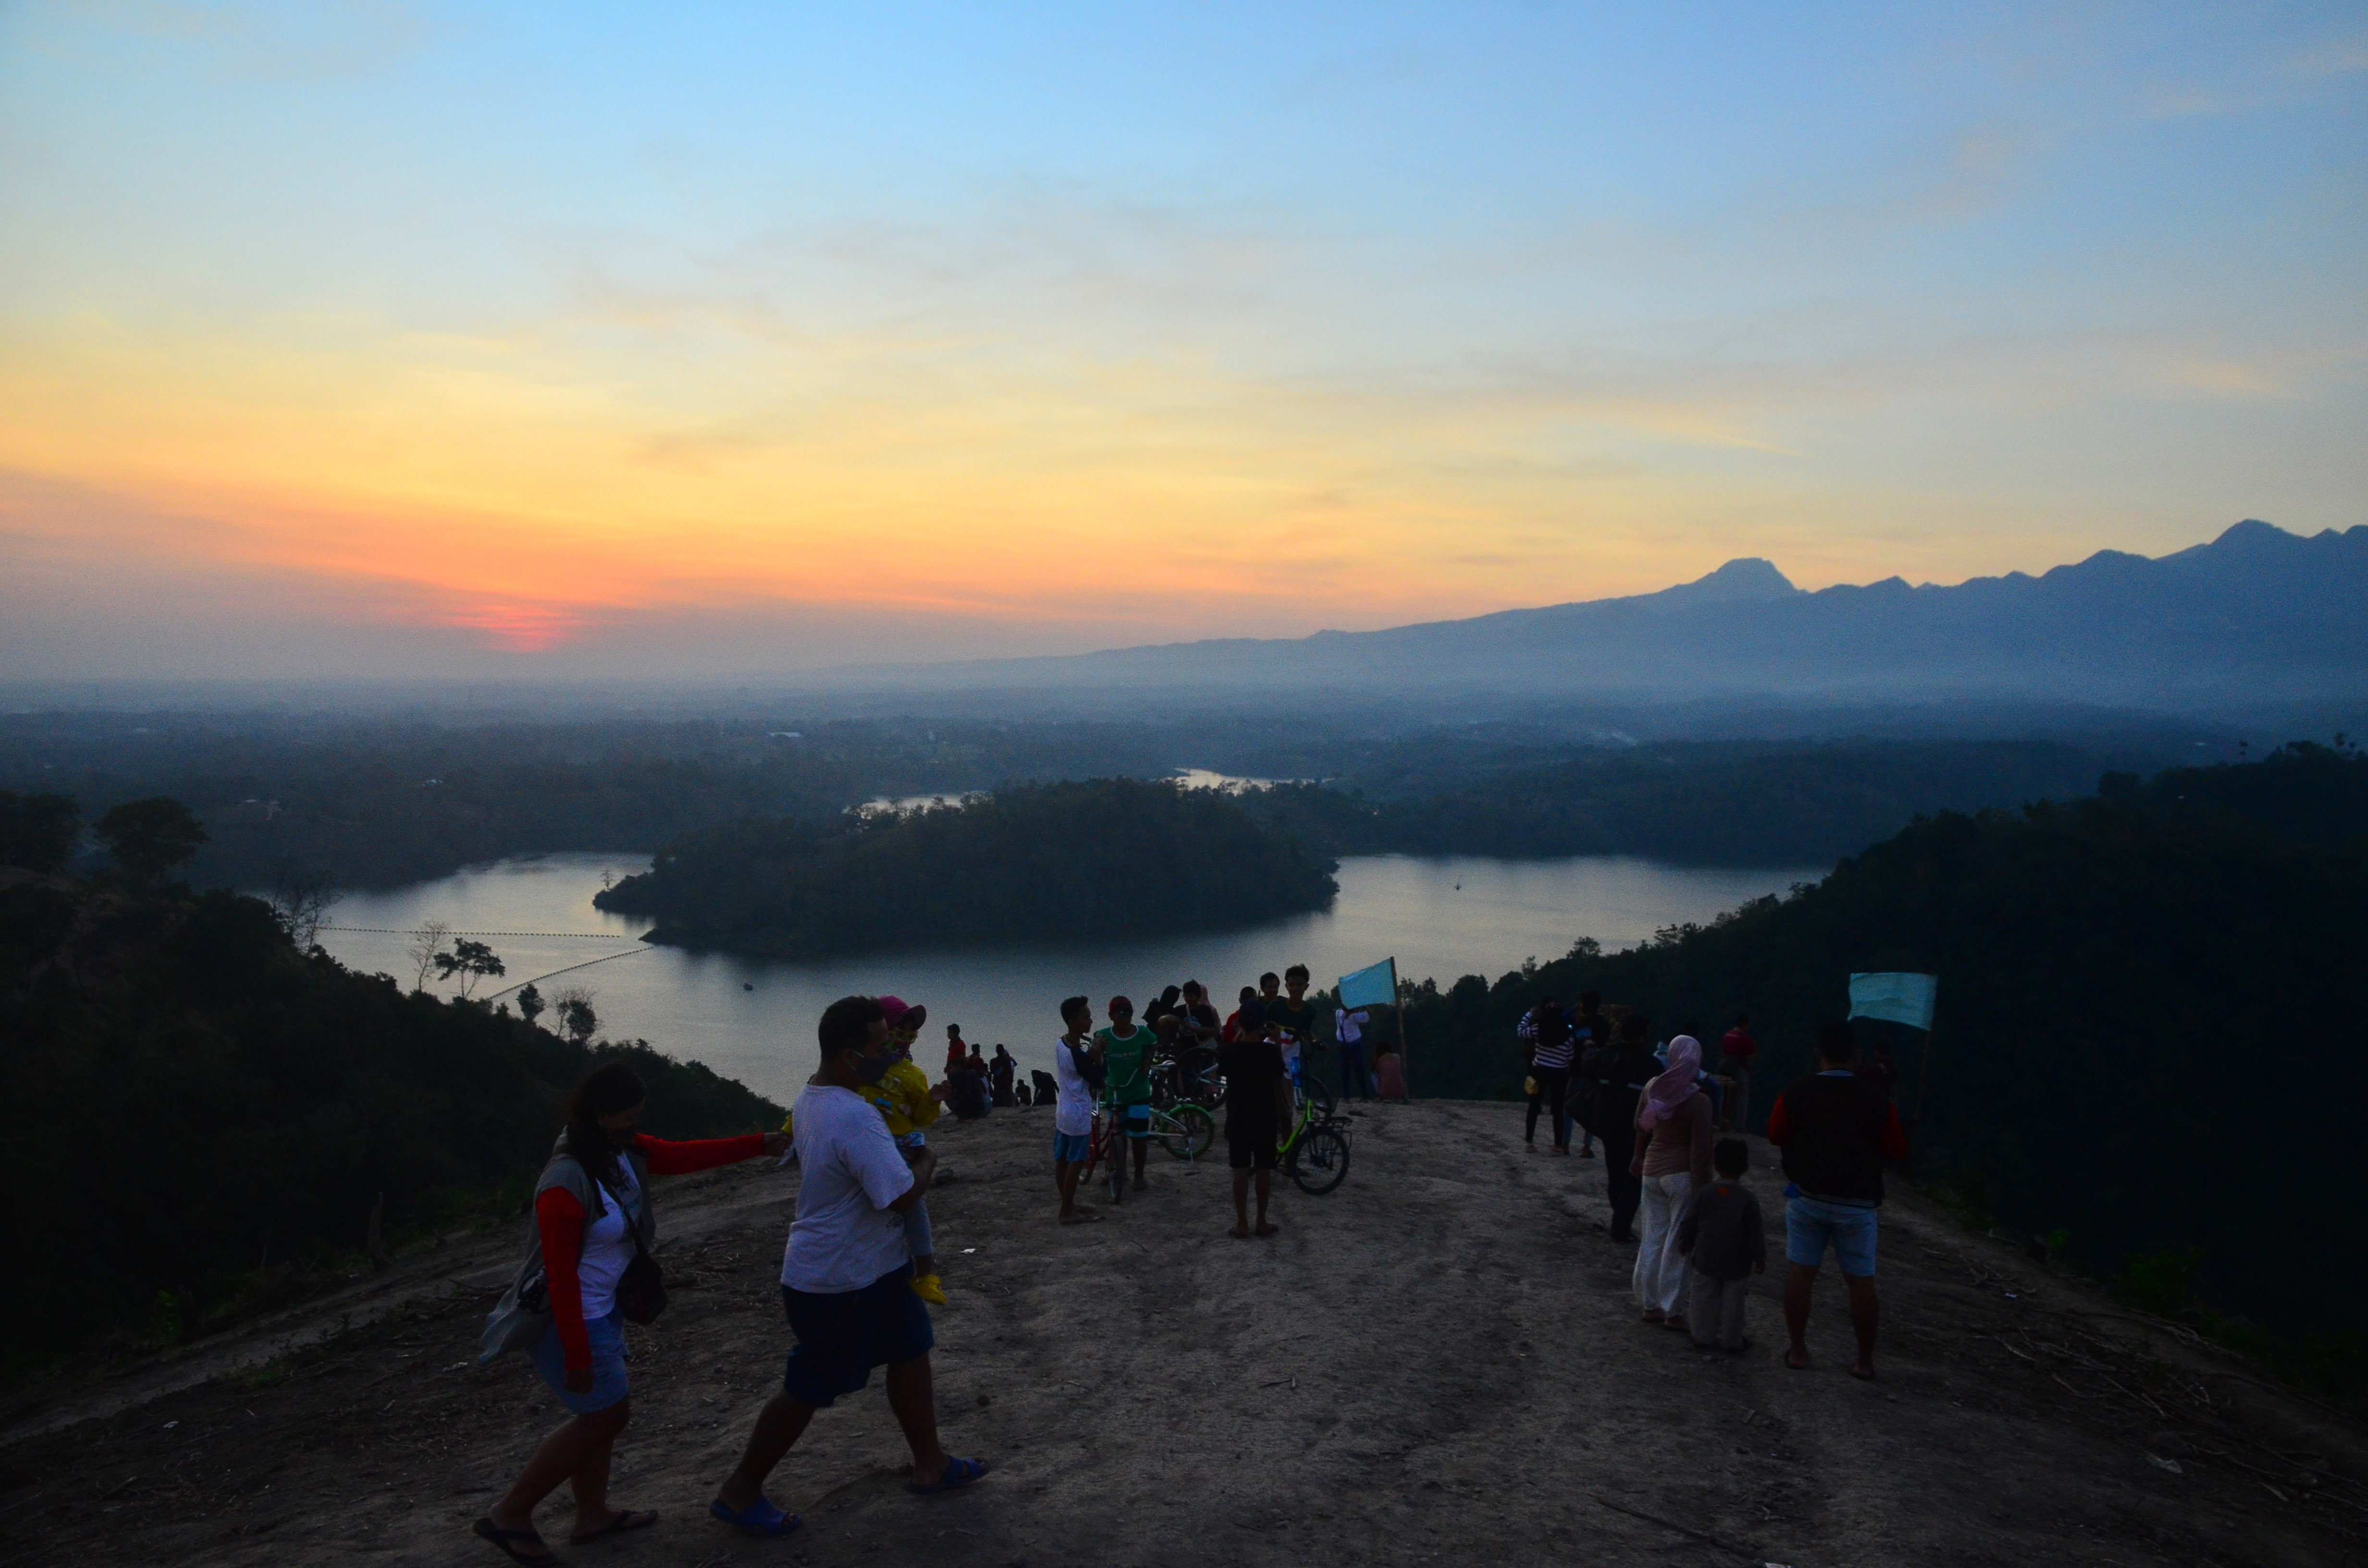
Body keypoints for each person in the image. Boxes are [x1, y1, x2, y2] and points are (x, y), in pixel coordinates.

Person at [476, 1064, 786, 1562]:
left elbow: (678, 1157)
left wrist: (759, 1143)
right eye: (628, 1117)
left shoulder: (616, 1152)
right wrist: (576, 1352)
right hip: (570, 1320)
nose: (634, 1125)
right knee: (605, 1416)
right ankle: (510, 1512)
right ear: (602, 1116)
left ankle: (591, 1515)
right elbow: (558, 1277)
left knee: (597, 1416)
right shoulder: (565, 1182)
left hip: (602, 1309)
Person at [709, 997, 986, 1536]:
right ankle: (739, 1491)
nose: (892, 1055)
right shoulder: (854, 1115)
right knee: (811, 1385)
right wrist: (927, 1161)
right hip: (839, 1282)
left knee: (911, 1351)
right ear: (849, 1058)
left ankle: (930, 1464)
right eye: (881, 1047)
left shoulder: (812, 1098)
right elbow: (900, 1199)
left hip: (876, 1269)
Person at [1767, 1020, 1908, 1378]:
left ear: (1820, 1054)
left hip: (1808, 1195)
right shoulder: (1877, 1100)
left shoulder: (1797, 1091)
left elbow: (1775, 1134)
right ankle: (1864, 1361)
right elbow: (1896, 1149)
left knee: (1801, 1273)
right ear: (1856, 1057)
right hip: (1857, 1203)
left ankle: (1798, 1351)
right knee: (1861, 1282)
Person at [1630, 1034, 1715, 1329]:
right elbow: (1700, 1151)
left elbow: (1640, 1126)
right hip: (1681, 1175)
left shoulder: (1654, 1087)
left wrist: (1638, 1158)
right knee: (1678, 1242)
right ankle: (1673, 1309)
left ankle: (1649, 1304)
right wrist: (1705, 1187)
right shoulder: (1699, 1101)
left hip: (1651, 1170)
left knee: (1652, 1237)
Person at [869, 998, 950, 1305]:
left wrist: (932, 1100)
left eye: (910, 1034)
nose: (904, 1039)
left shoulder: (912, 1075)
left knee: (914, 1203)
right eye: (897, 1032)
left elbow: (922, 1118)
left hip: (898, 1146)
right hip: (864, 1142)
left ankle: (926, 1273)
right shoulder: (862, 1067)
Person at [1676, 1137, 1765, 1352]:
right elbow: (1755, 1234)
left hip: (1706, 1259)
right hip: (1737, 1263)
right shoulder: (1748, 1200)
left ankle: (1702, 1336)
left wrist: (1685, 1243)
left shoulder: (1705, 1193)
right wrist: (1760, 1259)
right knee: (1734, 1305)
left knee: (1702, 1298)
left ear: (1715, 1165)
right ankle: (1732, 1341)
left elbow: (1690, 1221)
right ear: (1745, 1168)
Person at [1218, 999, 1288, 1237]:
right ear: (1262, 1024)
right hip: (1265, 1117)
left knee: (1239, 1170)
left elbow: (1225, 1070)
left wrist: (1238, 1036)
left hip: (1238, 1118)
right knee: (1264, 1169)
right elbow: (1278, 1077)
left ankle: (1241, 1223)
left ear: (1239, 1024)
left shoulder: (1229, 1052)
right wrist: (1277, 1041)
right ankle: (1261, 1221)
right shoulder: (1269, 1052)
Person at [1591, 1015, 1663, 1243]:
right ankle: (1620, 1228)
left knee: (1615, 1175)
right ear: (1642, 1037)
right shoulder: (1651, 1065)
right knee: (1634, 1178)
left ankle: (1619, 1222)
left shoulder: (1608, 1055)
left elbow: (1589, 1069)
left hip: (1607, 1123)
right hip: (1633, 1129)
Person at [1095, 995, 1157, 1194]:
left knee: (1139, 1137)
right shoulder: (1103, 1036)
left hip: (1138, 1090)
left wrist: (1148, 1059)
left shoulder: (1143, 1033)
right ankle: (1116, 1171)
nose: (1124, 1017)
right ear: (1111, 1016)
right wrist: (1098, 1052)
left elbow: (1153, 1044)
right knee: (1118, 1134)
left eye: (1128, 1013)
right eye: (1119, 1013)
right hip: (1115, 1092)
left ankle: (1139, 1174)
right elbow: (1094, 1057)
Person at [1050, 996, 1102, 1224]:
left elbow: (1079, 1065)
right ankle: (1066, 1211)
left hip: (1063, 1110)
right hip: (1079, 1113)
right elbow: (1098, 1080)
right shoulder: (1078, 1055)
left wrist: (1090, 1053)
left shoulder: (1062, 1044)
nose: (1090, 1021)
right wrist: (1098, 1056)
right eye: (1086, 1018)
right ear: (1073, 1021)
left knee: (1062, 1160)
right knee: (1076, 1162)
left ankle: (1067, 1203)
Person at [1523, 995, 1576, 1155]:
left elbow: (1521, 1031)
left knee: (1534, 1106)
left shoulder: (1539, 1028)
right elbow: (1570, 1057)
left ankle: (1530, 1143)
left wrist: (1529, 1015)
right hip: (1559, 1073)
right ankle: (1558, 1146)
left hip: (1539, 1070)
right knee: (1558, 1109)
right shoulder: (1568, 1034)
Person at [1271, 963, 1328, 1089]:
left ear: (1306, 987)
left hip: (1292, 1056)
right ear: (1286, 986)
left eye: (1300, 985)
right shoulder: (1277, 1007)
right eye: (1291, 985)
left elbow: (1305, 1032)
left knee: (1289, 1089)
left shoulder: (1309, 1012)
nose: (1295, 989)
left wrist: (1315, 1042)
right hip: (1273, 1054)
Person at [1566, 991, 1606, 1157]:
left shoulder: (1579, 1023)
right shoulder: (1604, 1024)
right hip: (1596, 1070)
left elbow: (1570, 1038)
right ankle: (1586, 1147)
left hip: (1577, 1068)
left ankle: (1565, 1144)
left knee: (1568, 1106)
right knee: (1592, 1109)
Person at [1718, 1013, 1758, 1133]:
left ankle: (1722, 1121)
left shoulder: (1728, 1035)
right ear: (1745, 1025)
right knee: (1742, 1098)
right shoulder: (1745, 1038)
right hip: (1740, 1069)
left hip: (1725, 1067)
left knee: (1726, 1095)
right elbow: (1751, 1056)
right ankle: (1739, 1126)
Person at [1335, 1004, 1373, 1101]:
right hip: (1355, 1046)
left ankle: (1346, 1097)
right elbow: (1369, 1016)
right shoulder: (1355, 1017)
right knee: (1359, 1072)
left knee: (1345, 1072)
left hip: (1343, 1045)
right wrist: (1364, 1005)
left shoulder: (1338, 1013)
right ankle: (1364, 1096)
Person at [1856, 1034, 1902, 1098]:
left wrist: (1859, 1066)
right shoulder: (1894, 1069)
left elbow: (1859, 1082)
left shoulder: (1876, 1069)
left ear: (1878, 1053)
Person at [988, 1044, 1016, 1108]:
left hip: (997, 1082)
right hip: (1006, 1082)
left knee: (997, 1099)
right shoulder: (1008, 1060)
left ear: (996, 1051)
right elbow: (1010, 1070)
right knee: (1007, 1099)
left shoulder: (993, 1061)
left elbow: (992, 1071)